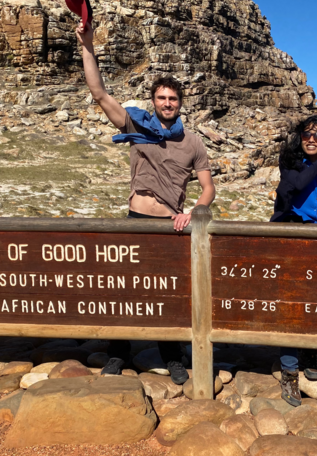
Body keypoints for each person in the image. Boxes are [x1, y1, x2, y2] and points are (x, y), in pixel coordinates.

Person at [76, 20, 215, 384]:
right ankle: (117, 354)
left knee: (168, 291)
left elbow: (207, 189)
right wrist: (87, 45)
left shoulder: (193, 142)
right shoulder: (135, 126)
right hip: (134, 217)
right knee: (125, 287)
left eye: (173, 99)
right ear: (153, 103)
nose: (167, 104)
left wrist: (193, 211)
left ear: (180, 103)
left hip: (171, 225)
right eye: (161, 99)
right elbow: (100, 93)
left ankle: (172, 357)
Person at [270, 114, 317, 406]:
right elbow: (300, 185)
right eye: (307, 134)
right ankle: (289, 374)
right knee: (289, 305)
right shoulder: (290, 165)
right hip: (287, 241)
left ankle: (310, 353)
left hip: (316, 244)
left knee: (313, 302)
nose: (312, 139)